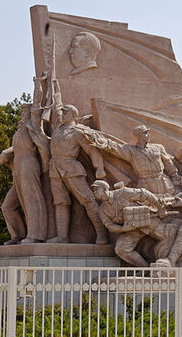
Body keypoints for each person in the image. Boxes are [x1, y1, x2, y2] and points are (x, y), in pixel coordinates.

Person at [47, 77, 108, 244]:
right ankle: (62, 237)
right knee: (60, 203)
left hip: (71, 167)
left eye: (65, 112)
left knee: (88, 200)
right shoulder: (57, 129)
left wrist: (99, 168)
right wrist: (54, 86)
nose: (62, 114)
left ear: (73, 115)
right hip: (55, 168)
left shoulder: (78, 132)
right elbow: (56, 105)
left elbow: (92, 150)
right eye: (62, 112)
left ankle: (101, 233)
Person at [0, 75, 50, 244]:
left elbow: (37, 103)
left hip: (29, 164)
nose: (22, 113)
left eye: (24, 110)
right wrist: (7, 152)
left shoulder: (33, 124)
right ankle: (17, 236)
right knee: (7, 207)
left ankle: (35, 235)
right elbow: (17, 147)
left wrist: (38, 84)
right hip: (18, 167)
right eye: (21, 110)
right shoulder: (20, 129)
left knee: (32, 199)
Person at [87, 124, 182, 194]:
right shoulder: (131, 150)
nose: (148, 135)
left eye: (148, 133)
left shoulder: (158, 147)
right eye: (145, 133)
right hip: (146, 183)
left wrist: (174, 174)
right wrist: (100, 141)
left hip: (162, 181)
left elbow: (167, 161)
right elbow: (115, 147)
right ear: (139, 136)